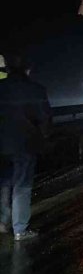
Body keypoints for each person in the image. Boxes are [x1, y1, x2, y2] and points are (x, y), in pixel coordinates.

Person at [0, 54, 52, 241]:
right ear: (28, 70)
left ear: (7, 69)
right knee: (21, 186)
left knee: (4, 183)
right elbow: (45, 119)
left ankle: (2, 222)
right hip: (25, 144)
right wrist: (44, 138)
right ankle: (20, 229)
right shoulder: (36, 90)